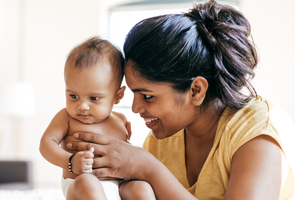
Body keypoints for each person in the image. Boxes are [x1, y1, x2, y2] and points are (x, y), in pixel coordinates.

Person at [66, 1, 295, 200]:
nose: (136, 108)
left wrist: (149, 168)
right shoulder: (161, 139)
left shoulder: (256, 130)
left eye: (147, 96)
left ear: (196, 90)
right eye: (134, 94)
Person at [39, 37, 156, 200]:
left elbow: (124, 153)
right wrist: (71, 161)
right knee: (88, 182)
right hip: (79, 186)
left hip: (118, 186)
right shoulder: (66, 117)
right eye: (73, 96)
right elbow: (46, 144)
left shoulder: (121, 120)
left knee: (142, 188)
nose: (83, 106)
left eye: (93, 98)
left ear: (118, 96)